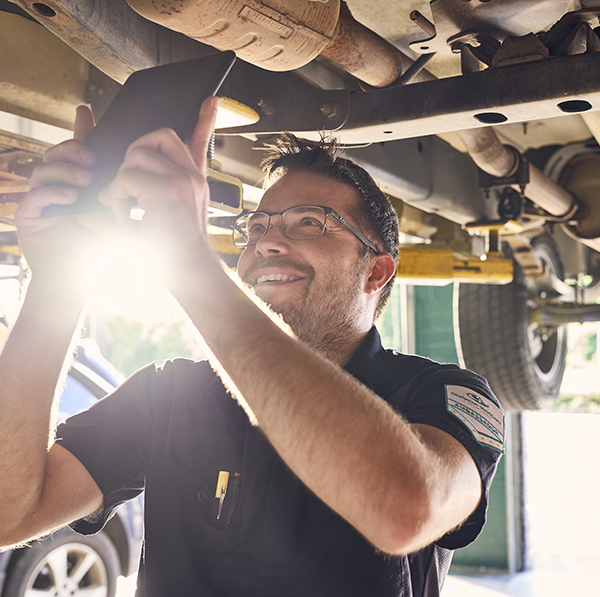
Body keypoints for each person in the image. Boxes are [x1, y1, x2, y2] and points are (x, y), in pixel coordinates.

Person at [0, 97, 504, 596]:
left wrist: (193, 267)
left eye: (309, 222)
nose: (266, 242)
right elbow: (9, 513)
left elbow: (406, 511)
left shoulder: (445, 394)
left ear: (375, 270)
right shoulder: (168, 395)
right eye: (256, 228)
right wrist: (55, 286)